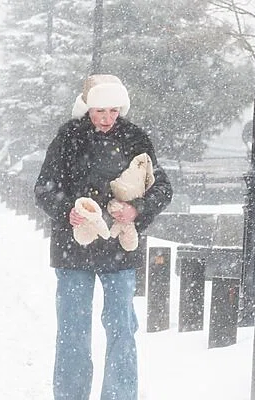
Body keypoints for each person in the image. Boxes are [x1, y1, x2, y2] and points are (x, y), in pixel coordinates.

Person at [34, 74, 173, 399]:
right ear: (87, 108)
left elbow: (162, 186)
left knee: (122, 328)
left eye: (113, 110)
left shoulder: (136, 139)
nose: (107, 119)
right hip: (74, 247)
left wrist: (136, 209)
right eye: (100, 111)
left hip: (119, 249)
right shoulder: (67, 137)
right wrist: (67, 209)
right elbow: (43, 187)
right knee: (72, 331)